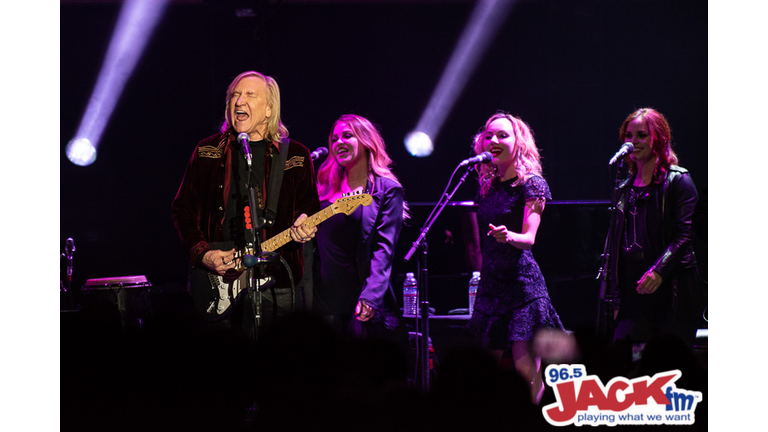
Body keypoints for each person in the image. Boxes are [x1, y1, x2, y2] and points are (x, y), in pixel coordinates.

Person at [171, 70, 320, 339]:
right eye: (235, 96)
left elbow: (308, 208)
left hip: (278, 280)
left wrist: (305, 224)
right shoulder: (207, 152)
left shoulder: (296, 155)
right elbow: (182, 209)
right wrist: (203, 253)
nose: (239, 101)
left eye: (250, 95)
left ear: (269, 108)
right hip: (217, 279)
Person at [466, 111, 564, 404]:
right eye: (489, 135)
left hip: (523, 286)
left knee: (526, 370)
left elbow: (529, 239)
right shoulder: (487, 185)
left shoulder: (531, 184)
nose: (493, 140)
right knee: (484, 367)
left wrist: (508, 236)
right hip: (492, 284)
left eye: (502, 135)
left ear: (518, 142)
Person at [603, 108, 700, 349]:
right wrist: (617, 300)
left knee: (669, 366)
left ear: (659, 139)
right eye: (629, 135)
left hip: (670, 288)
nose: (633, 141)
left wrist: (659, 270)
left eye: (641, 135)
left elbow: (686, 233)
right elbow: (615, 247)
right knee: (626, 364)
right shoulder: (623, 188)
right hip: (632, 292)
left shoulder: (678, 180)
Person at [309, 114, 408, 339]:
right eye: (334, 139)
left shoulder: (386, 190)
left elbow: (384, 250)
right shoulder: (322, 189)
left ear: (366, 141)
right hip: (320, 298)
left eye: (347, 136)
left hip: (358, 298)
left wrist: (371, 296)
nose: (338, 143)